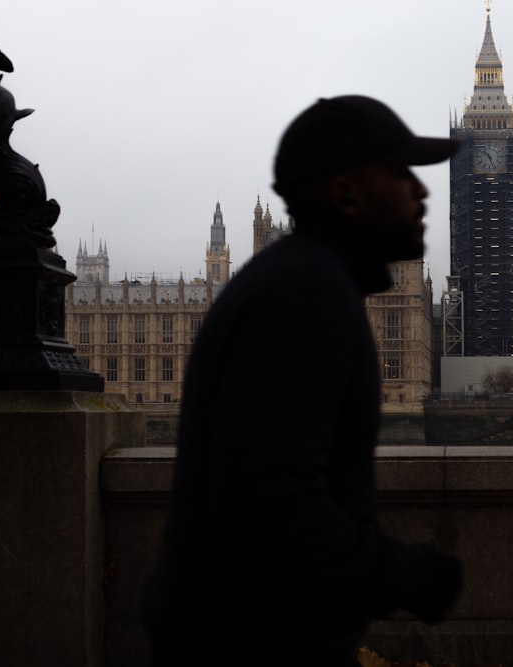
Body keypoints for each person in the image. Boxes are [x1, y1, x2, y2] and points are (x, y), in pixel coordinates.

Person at [142, 95, 463, 666]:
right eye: (398, 173)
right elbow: (275, 509)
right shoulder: (304, 294)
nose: (422, 191)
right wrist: (411, 575)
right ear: (345, 194)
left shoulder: (305, 279)